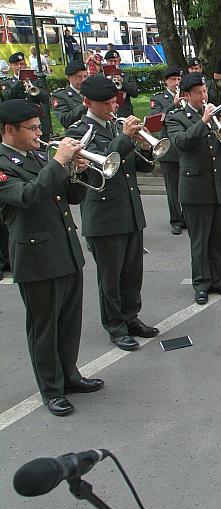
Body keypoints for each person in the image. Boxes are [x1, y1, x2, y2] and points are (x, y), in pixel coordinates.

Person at [0, 99, 105, 416]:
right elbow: (29, 197)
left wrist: (76, 170)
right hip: (36, 257)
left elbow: (68, 197)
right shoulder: (4, 165)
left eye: (39, 127)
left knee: (69, 322)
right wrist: (58, 163)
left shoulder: (37, 155)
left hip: (64, 250)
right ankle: (51, 388)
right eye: (32, 128)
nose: (39, 133)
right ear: (9, 129)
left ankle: (70, 376)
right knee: (44, 327)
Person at [66, 74, 158, 351]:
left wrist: (146, 147)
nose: (112, 108)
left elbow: (141, 168)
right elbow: (103, 165)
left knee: (132, 273)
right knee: (111, 277)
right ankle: (116, 326)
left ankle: (132, 317)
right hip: (103, 216)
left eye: (113, 102)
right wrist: (126, 139)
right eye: (104, 104)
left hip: (130, 212)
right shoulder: (78, 132)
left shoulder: (118, 128)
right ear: (87, 102)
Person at [165, 73, 221, 305]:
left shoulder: (214, 114)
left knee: (219, 239)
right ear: (187, 95)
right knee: (199, 240)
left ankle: (218, 280)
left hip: (220, 186)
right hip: (195, 187)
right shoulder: (175, 117)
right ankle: (201, 284)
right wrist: (204, 122)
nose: (204, 95)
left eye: (205, 91)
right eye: (199, 92)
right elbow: (181, 143)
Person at [149, 66, 186, 235]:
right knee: (172, 188)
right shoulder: (158, 99)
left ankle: (188, 217)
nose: (176, 83)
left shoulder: (186, 96)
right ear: (166, 82)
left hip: (185, 147)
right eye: (173, 80)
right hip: (168, 148)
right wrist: (173, 105)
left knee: (187, 185)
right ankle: (176, 220)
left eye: (178, 79)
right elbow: (156, 121)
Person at [4, 52, 52, 145]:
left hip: (39, 123)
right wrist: (19, 83)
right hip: (21, 125)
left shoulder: (35, 80)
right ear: (11, 66)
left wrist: (33, 86)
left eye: (22, 64)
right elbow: (7, 97)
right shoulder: (7, 83)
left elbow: (46, 99)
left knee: (44, 152)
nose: (19, 67)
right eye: (16, 64)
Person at [51, 61, 89, 128]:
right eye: (79, 77)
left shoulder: (90, 91)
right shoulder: (60, 96)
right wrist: (83, 105)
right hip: (76, 133)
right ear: (68, 77)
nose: (83, 80)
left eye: (85, 76)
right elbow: (65, 121)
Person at [103, 49, 138, 118]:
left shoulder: (127, 76)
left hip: (124, 112)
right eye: (110, 61)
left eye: (115, 61)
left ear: (119, 62)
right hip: (105, 111)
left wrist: (123, 83)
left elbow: (135, 93)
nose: (113, 63)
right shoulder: (100, 77)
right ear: (106, 62)